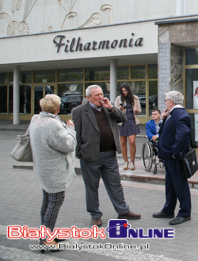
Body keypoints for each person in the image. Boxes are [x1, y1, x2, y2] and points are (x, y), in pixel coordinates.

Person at [72, 85, 141, 226]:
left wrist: (111, 107)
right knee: (92, 187)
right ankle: (95, 214)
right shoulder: (79, 111)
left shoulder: (108, 108)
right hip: (90, 156)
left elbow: (124, 118)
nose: (100, 97)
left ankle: (123, 210)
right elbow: (76, 134)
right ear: (88, 98)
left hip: (109, 155)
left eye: (101, 94)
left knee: (115, 184)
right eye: (96, 95)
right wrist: (80, 153)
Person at [29, 94, 76, 251]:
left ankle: (45, 234)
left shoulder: (36, 119)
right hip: (54, 171)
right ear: (57, 108)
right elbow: (68, 145)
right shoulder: (52, 125)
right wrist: (70, 128)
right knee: (55, 202)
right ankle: (46, 241)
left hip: (43, 169)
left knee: (47, 201)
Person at [153, 91, 192, 225]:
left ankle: (185, 213)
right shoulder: (172, 113)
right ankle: (168, 209)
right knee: (170, 185)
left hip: (174, 157)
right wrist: (163, 118)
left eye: (165, 100)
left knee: (180, 185)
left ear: (171, 101)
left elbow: (183, 134)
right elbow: (165, 131)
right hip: (168, 157)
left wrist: (175, 151)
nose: (165, 102)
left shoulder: (179, 114)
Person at [114, 83, 141, 170]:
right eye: (122, 91)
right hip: (122, 122)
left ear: (128, 90)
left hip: (132, 121)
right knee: (122, 142)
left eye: (125, 90)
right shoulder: (119, 98)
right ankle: (126, 161)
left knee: (132, 142)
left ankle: (132, 161)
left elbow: (139, 110)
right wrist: (120, 108)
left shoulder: (135, 98)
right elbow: (114, 109)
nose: (124, 92)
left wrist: (137, 110)